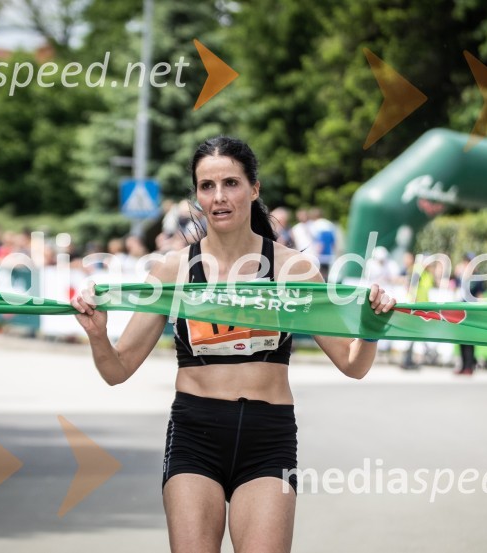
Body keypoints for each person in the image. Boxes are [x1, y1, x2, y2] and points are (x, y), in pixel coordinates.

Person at [72, 136, 394, 553]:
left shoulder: (291, 269)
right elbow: (117, 370)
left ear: (254, 189)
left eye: (231, 183)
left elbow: (354, 364)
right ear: (197, 195)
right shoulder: (173, 270)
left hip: (267, 437)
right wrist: (98, 335)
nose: (219, 197)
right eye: (207, 186)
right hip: (195, 435)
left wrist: (371, 326)